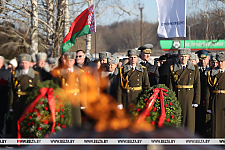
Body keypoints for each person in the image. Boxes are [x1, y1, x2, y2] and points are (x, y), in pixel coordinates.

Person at [169, 48, 200, 135]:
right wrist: (171, 99)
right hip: (178, 96)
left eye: (185, 56)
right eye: (181, 56)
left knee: (189, 121)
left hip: (190, 97)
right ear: (178, 57)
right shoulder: (173, 68)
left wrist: (196, 100)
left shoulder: (194, 68)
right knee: (179, 121)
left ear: (188, 57)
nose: (183, 59)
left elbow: (197, 85)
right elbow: (171, 85)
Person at [52, 52, 85, 127]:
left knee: (77, 122)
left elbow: (83, 88)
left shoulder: (80, 72)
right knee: (65, 122)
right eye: (67, 61)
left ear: (74, 61)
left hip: (76, 99)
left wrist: (83, 102)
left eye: (71, 61)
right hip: (64, 100)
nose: (69, 63)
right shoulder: (59, 73)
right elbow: (56, 87)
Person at [11, 53, 40, 137]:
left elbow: (38, 89)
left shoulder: (35, 75)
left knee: (29, 121)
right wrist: (11, 105)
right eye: (22, 63)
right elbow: (12, 90)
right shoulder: (15, 74)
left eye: (26, 62)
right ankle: (15, 140)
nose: (24, 65)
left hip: (29, 101)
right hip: (18, 101)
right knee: (17, 121)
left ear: (29, 63)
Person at [205, 52, 225, 138]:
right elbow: (208, 91)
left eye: (222, 61)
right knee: (216, 124)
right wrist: (208, 106)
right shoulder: (212, 73)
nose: (220, 63)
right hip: (216, 100)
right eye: (218, 61)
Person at [195, 50, 211, 137]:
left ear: (208, 58)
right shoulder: (195, 69)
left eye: (204, 59)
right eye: (201, 59)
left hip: (207, 99)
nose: (203, 61)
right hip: (198, 98)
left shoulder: (211, 70)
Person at [0, 56, 11, 137]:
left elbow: (10, 86)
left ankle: (2, 137)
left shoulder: (7, 73)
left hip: (2, 99)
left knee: (2, 119)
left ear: (2, 63)